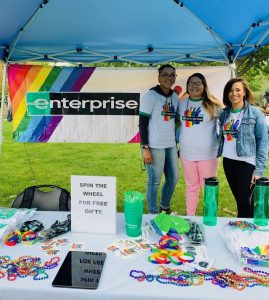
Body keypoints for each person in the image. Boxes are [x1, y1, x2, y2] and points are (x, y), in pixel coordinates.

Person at [217, 78, 268, 218]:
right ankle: (247, 230)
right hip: (228, 162)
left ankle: (245, 233)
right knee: (240, 201)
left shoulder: (255, 113)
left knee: (245, 202)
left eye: (238, 90)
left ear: (244, 92)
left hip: (247, 163)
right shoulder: (224, 114)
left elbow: (263, 142)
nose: (234, 93)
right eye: (231, 90)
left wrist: (259, 170)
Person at [178, 73, 224, 216]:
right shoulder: (181, 104)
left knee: (208, 188)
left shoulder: (213, 105)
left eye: (198, 83)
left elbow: (229, 120)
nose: (194, 86)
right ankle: (190, 217)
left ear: (204, 86)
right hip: (186, 154)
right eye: (191, 83)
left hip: (208, 154)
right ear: (187, 86)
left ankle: (210, 217)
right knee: (191, 187)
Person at [139, 64, 180, 214]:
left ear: (175, 77)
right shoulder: (151, 96)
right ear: (158, 77)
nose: (168, 78)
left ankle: (164, 207)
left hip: (170, 145)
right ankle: (153, 212)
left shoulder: (175, 97)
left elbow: (175, 121)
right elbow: (142, 124)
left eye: (172, 75)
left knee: (173, 178)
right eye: (165, 74)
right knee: (154, 181)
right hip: (154, 146)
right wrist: (145, 148)